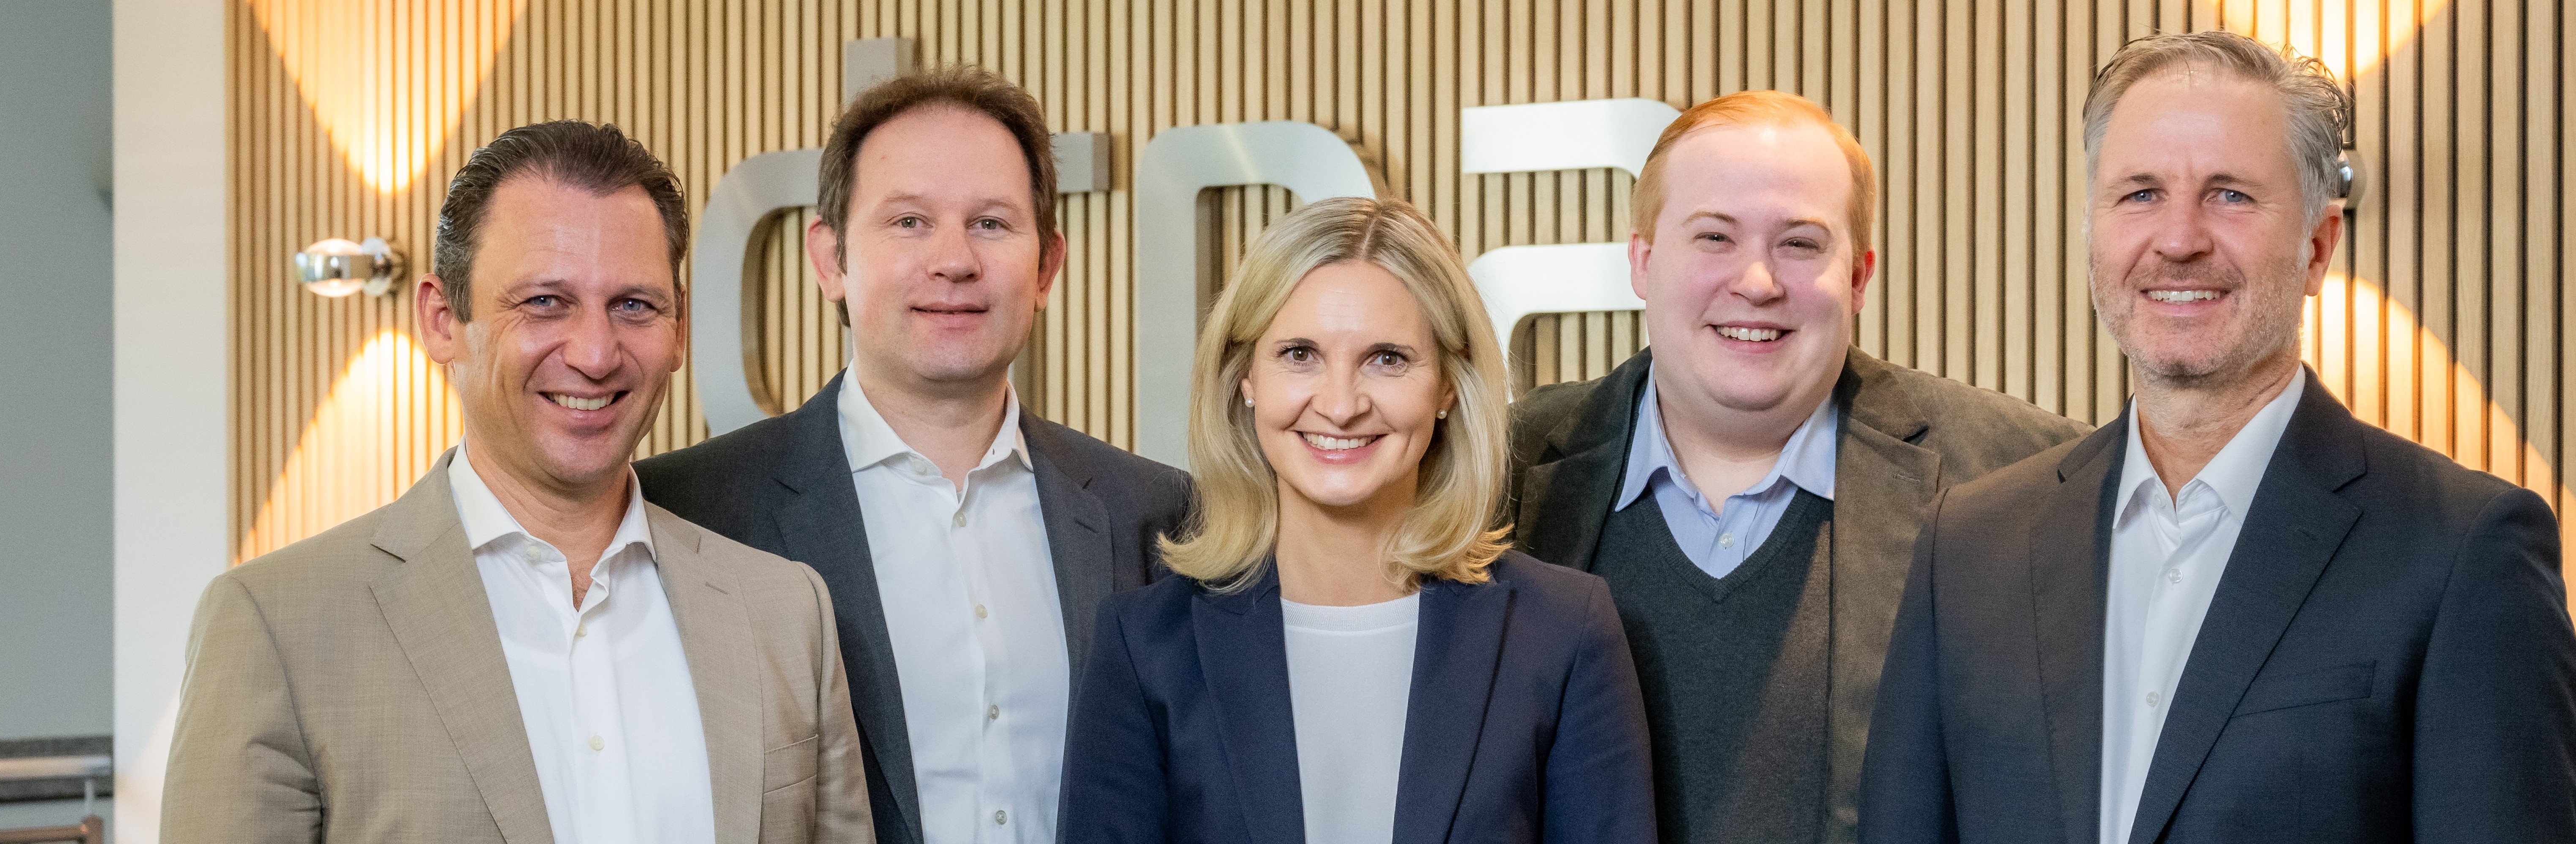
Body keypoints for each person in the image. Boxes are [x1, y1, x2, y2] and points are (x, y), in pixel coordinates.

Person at [1858, 32, 2576, 844]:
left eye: (2231, 195)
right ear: (2092, 232)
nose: (2179, 239)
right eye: (2141, 193)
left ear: (2318, 247)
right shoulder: (1969, 545)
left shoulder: (2463, 553)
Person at [164, 121, 872, 844]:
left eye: (634, 305)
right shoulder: (277, 626)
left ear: (680, 329)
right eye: (544, 302)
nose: (596, 354)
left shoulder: (785, 613)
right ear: (442, 320)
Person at [1503, 90, 2090, 844]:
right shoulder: (1499, 472)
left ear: (1860, 277)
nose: (1757, 281)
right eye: (1715, 236)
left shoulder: (2027, 480)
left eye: (1801, 244)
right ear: (1643, 261)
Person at [638, 65, 1190, 844]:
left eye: (991, 223)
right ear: (830, 260)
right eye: (908, 222)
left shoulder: (1157, 514)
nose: (954, 260)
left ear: (1047, 267)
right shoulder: (686, 512)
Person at [1060, 197, 1654, 844]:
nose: (1341, 405)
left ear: (1448, 385)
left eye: (1387, 358)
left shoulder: (1565, 633)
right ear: (1246, 376)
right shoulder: (1145, 646)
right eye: (1300, 354)